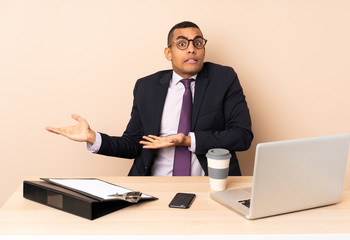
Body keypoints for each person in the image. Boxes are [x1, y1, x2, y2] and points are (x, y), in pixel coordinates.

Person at [46, 21, 253, 176]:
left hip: (209, 185)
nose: (191, 48)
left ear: (203, 50)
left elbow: (242, 136)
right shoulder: (146, 87)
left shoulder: (223, 78)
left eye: (197, 43)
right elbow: (134, 144)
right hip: (154, 185)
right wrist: (94, 138)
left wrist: (188, 140)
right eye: (182, 43)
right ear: (168, 53)